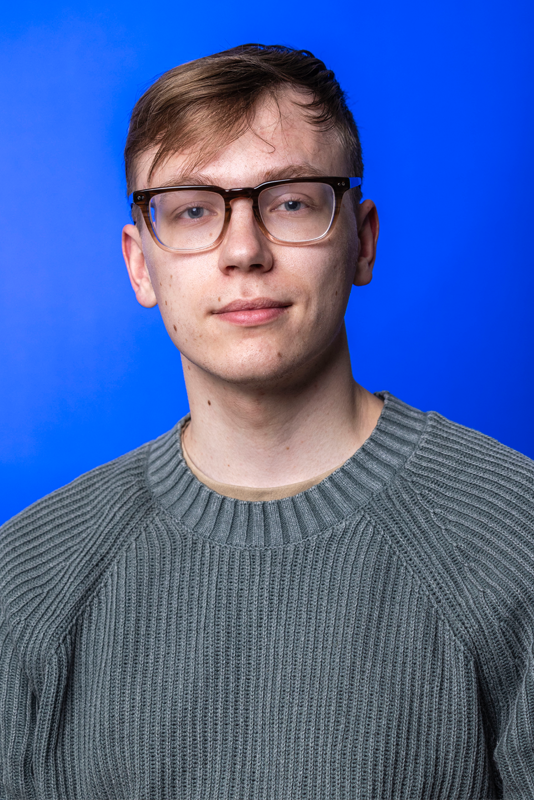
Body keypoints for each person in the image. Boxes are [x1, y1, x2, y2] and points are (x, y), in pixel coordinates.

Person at [1, 43, 533, 800]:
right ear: (140, 264)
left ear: (363, 239)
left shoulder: (518, 535)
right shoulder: (27, 581)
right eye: (191, 210)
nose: (244, 251)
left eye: (290, 201)